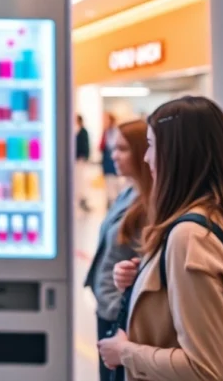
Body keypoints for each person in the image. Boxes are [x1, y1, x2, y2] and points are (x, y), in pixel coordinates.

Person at [98, 96, 223, 380]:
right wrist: (146, 281)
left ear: (175, 154)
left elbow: (204, 369)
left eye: (151, 145)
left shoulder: (190, 236)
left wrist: (124, 352)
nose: (146, 158)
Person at [83, 120, 152, 381]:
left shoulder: (150, 204)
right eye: (114, 148)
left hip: (121, 314)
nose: (114, 155)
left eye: (122, 149)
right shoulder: (128, 193)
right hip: (108, 305)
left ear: (142, 151)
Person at [100, 113, 121, 206]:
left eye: (107, 119)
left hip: (113, 162)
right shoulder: (106, 132)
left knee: (116, 182)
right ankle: (111, 201)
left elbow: (114, 145)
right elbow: (102, 146)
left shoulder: (117, 131)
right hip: (107, 160)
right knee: (109, 181)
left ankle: (116, 201)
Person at [76, 115, 92, 212]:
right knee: (78, 181)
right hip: (77, 160)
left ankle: (83, 199)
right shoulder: (77, 131)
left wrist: (84, 156)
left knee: (81, 180)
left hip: (81, 159)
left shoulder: (83, 132)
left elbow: (85, 145)